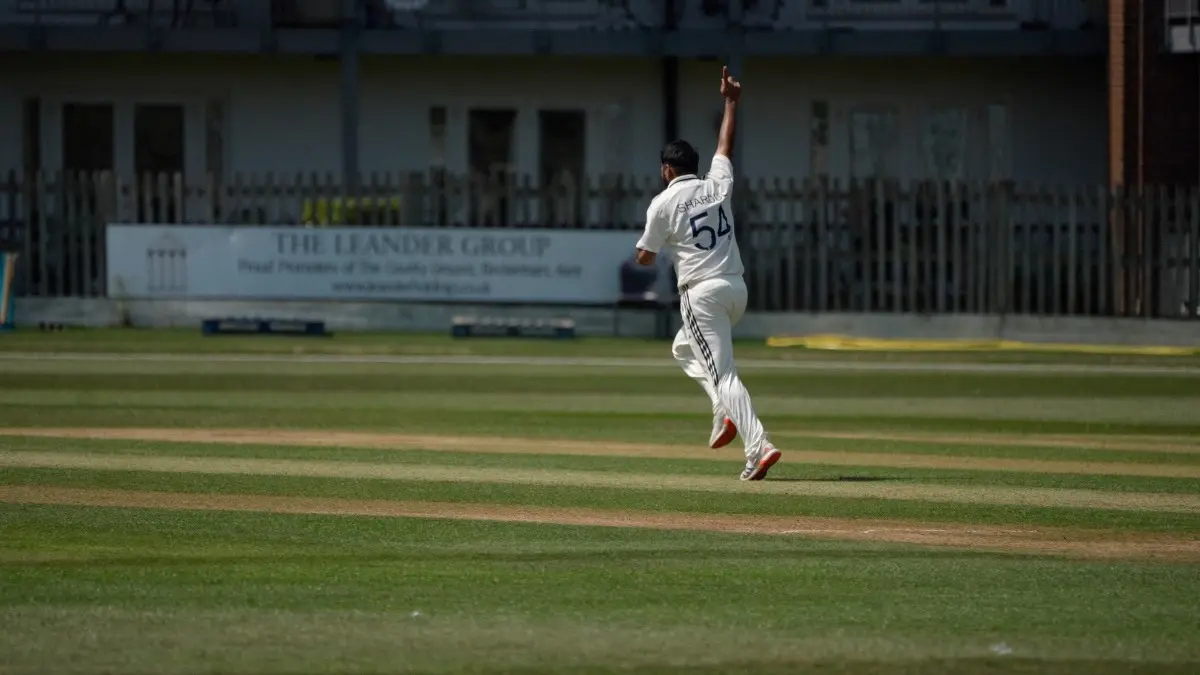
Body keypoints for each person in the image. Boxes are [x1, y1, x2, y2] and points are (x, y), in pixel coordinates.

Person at [633, 65, 781, 481]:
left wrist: (648, 253)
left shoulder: (662, 202)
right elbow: (725, 147)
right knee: (684, 348)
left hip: (701, 295)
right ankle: (723, 408)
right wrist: (731, 102)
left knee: (725, 373)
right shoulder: (717, 185)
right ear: (694, 166)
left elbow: (645, 255)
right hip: (736, 289)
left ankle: (759, 446)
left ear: (666, 170)